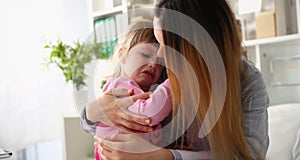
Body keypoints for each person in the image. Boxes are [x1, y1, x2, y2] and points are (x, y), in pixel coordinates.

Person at [81, 0, 269, 159]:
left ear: (199, 47)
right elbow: (102, 122)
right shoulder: (157, 73)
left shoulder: (246, 82)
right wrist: (91, 113)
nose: (160, 55)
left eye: (168, 45)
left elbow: (249, 155)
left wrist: (161, 156)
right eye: (157, 42)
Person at [87, 21, 172, 160]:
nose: (153, 64)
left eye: (160, 63)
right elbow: (149, 114)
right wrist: (174, 83)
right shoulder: (121, 87)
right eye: (145, 54)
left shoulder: (143, 89)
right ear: (123, 54)